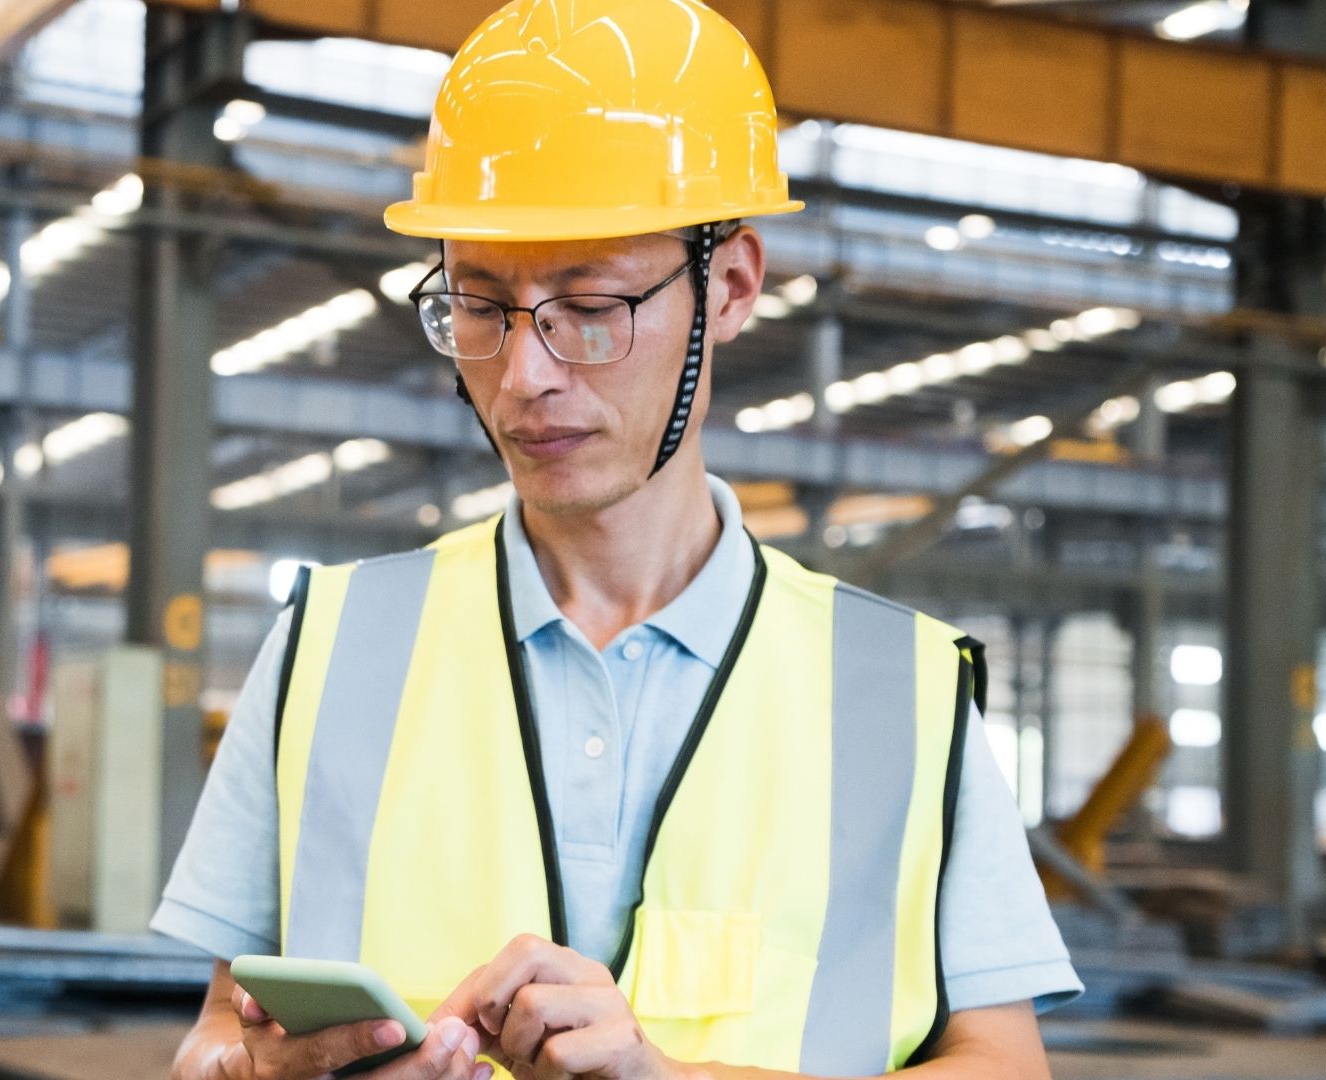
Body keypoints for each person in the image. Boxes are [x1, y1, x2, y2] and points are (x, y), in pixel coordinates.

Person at [154, 2, 1081, 1077]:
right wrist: (257, 1072)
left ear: (730, 287)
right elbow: (217, 1035)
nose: (525, 374)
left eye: (588, 304)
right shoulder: (332, 645)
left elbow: (1006, 1066)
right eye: (481, 304)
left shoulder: (902, 690)